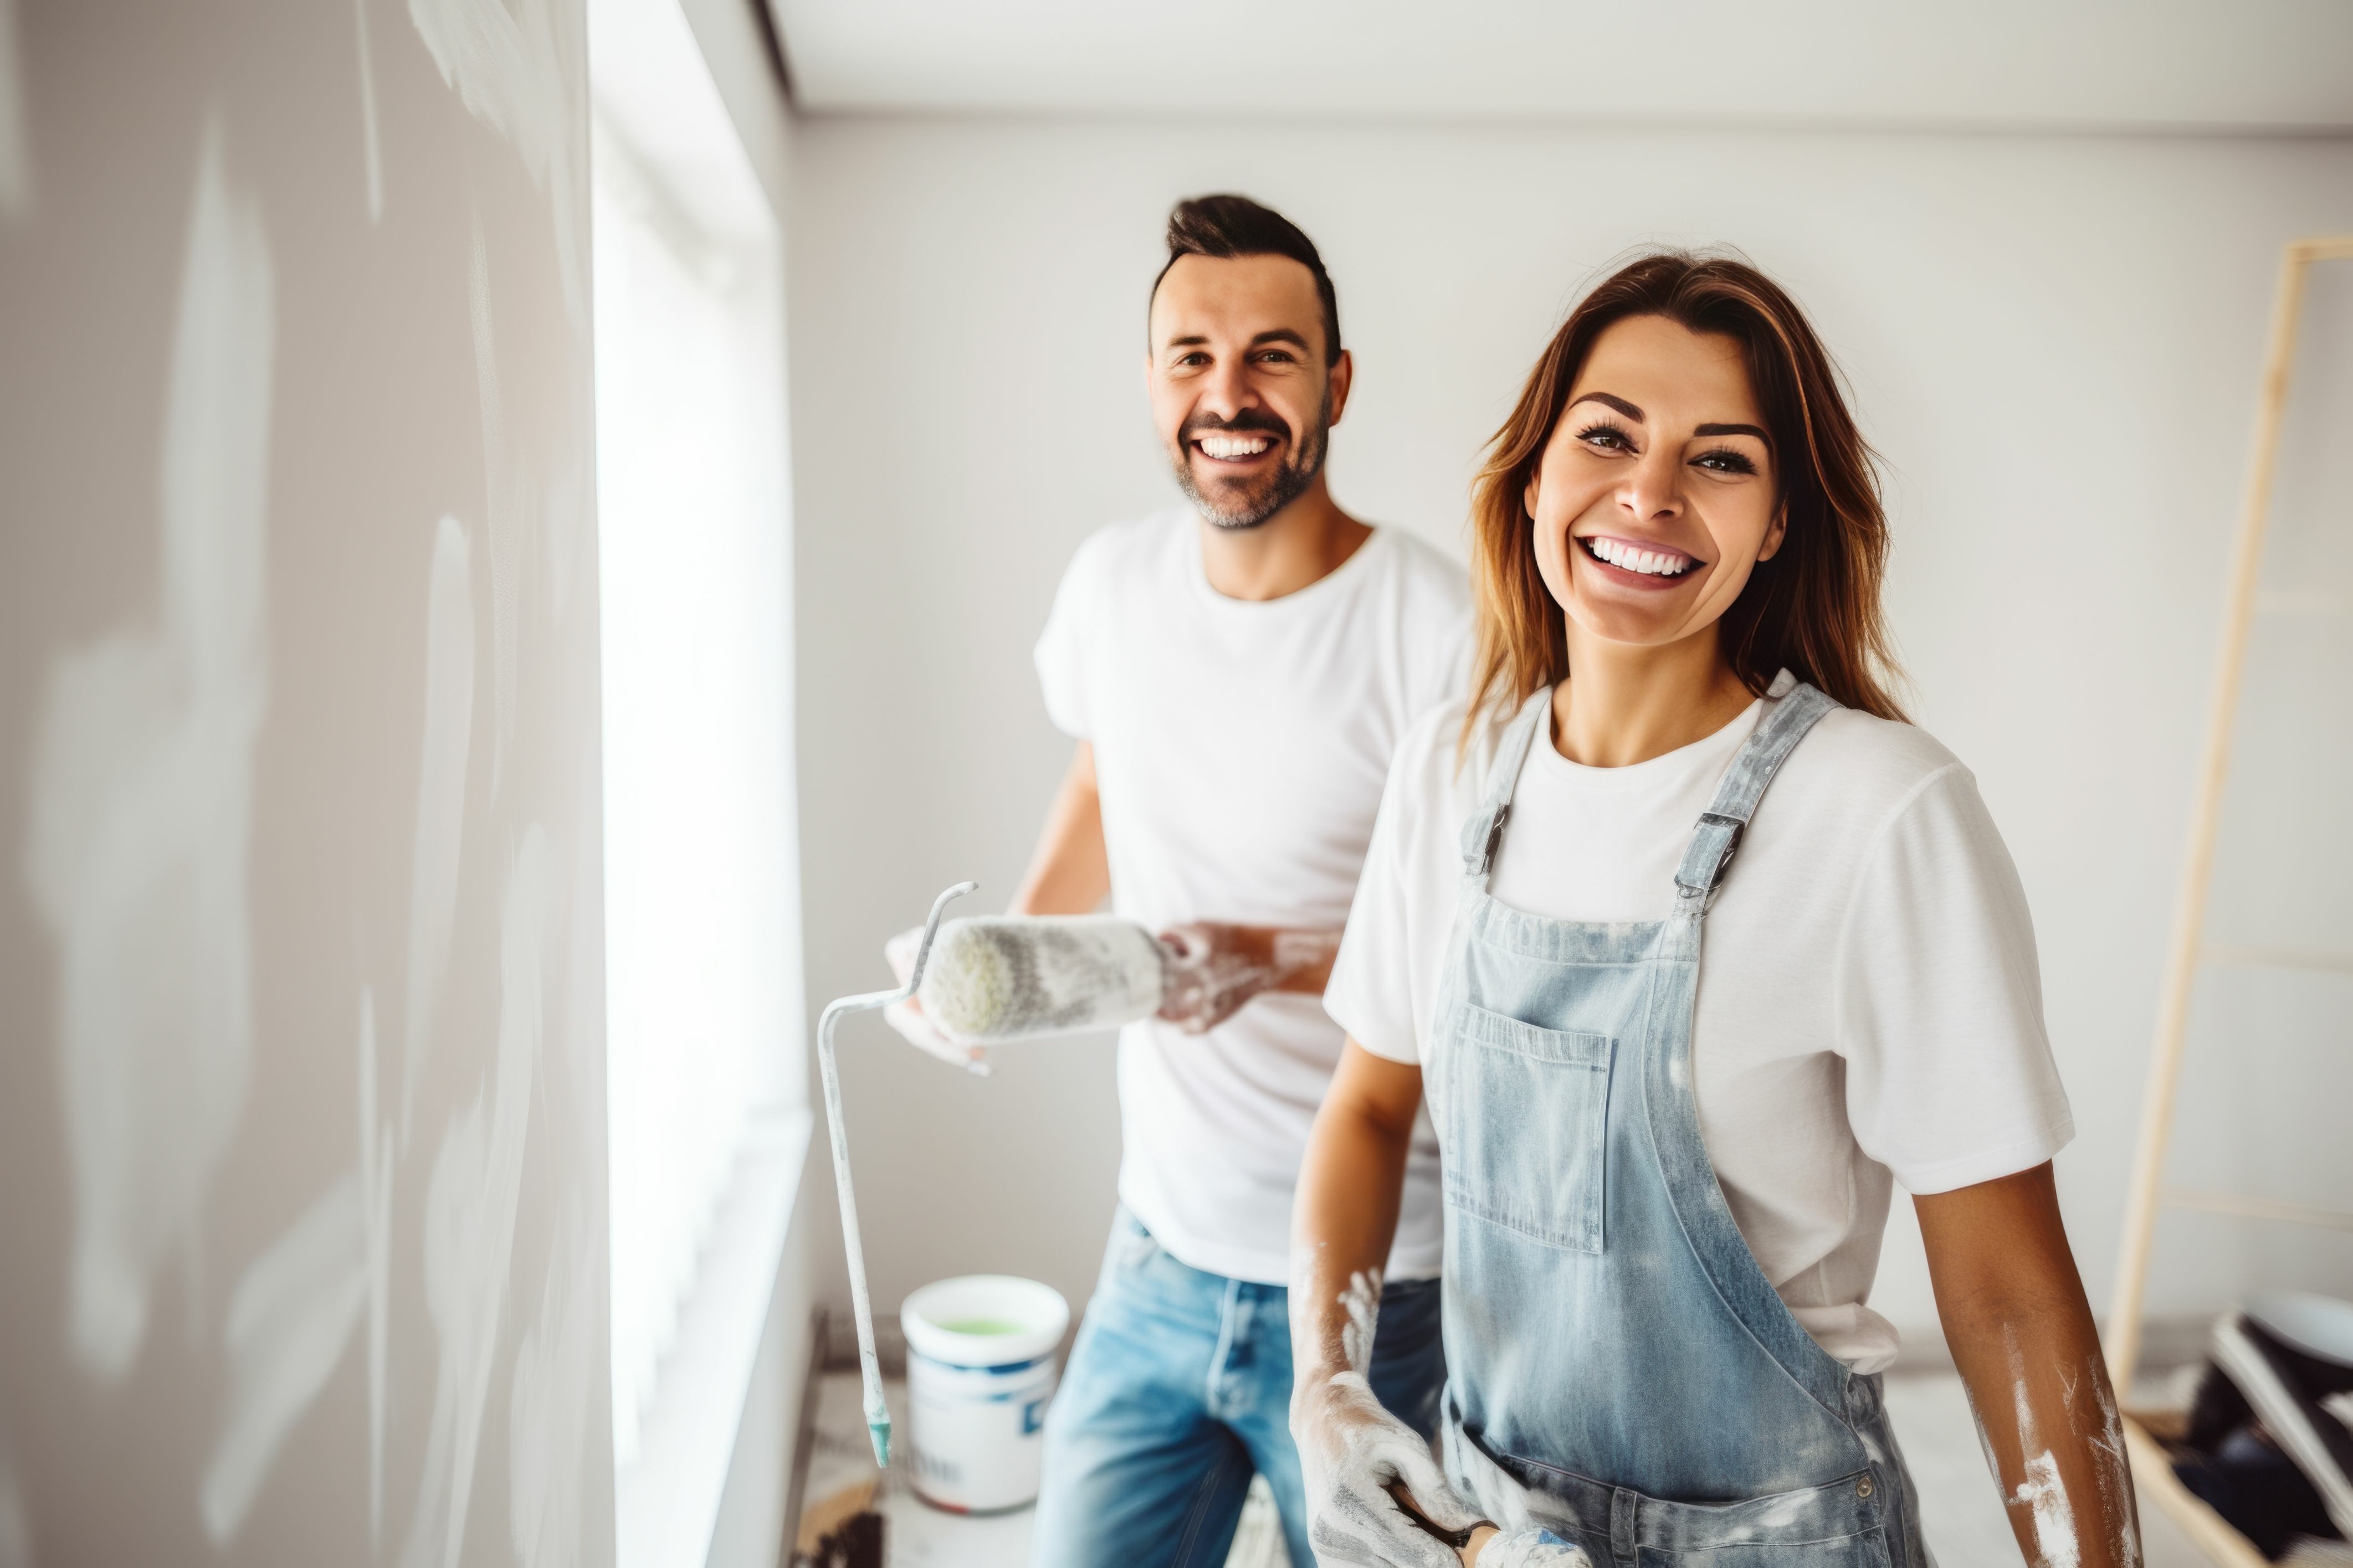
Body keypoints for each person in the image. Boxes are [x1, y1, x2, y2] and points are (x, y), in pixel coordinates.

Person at [1289, 252, 2143, 1568]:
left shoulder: (1881, 815)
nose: (1651, 493)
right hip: (1492, 1533)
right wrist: (1327, 1391)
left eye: (1722, 459)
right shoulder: (1450, 777)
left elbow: (2014, 1301)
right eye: (1609, 436)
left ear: (1783, 520)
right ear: (1533, 480)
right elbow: (1364, 1105)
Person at [886, 194, 1472, 1566]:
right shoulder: (1112, 586)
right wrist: (1008, 961)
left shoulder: (1433, 628)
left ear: (1335, 383)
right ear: (1152, 383)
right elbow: (1104, 774)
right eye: (1191, 356)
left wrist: (1262, 957)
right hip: (1156, 1256)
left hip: (1380, 1292)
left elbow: (1472, 954)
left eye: (1273, 355)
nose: (1229, 393)